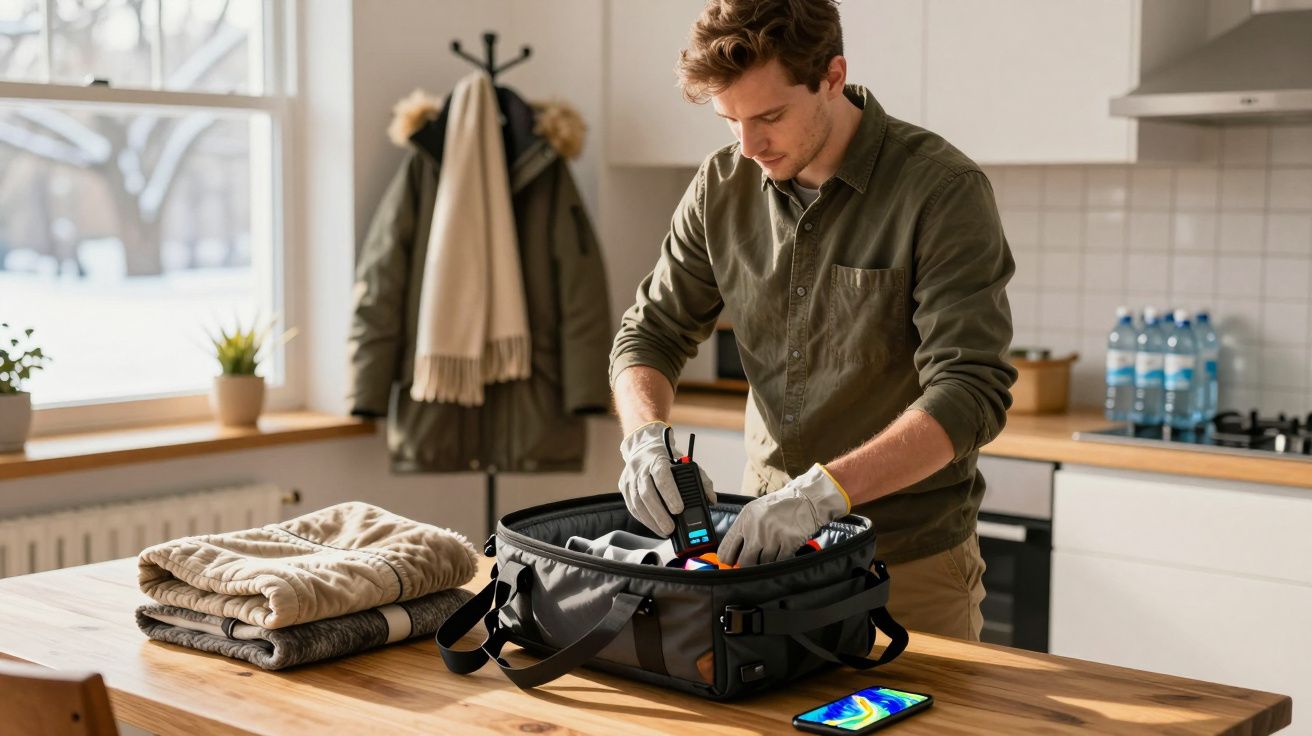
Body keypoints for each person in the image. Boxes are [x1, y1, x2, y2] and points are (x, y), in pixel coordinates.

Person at [608, 0, 1016, 641]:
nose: (749, 146)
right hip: (758, 559)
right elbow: (650, 331)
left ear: (832, 75)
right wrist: (644, 439)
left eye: (769, 116)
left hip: (904, 563)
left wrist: (821, 495)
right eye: (729, 121)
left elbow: (970, 394)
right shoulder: (721, 184)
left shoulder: (940, 189)